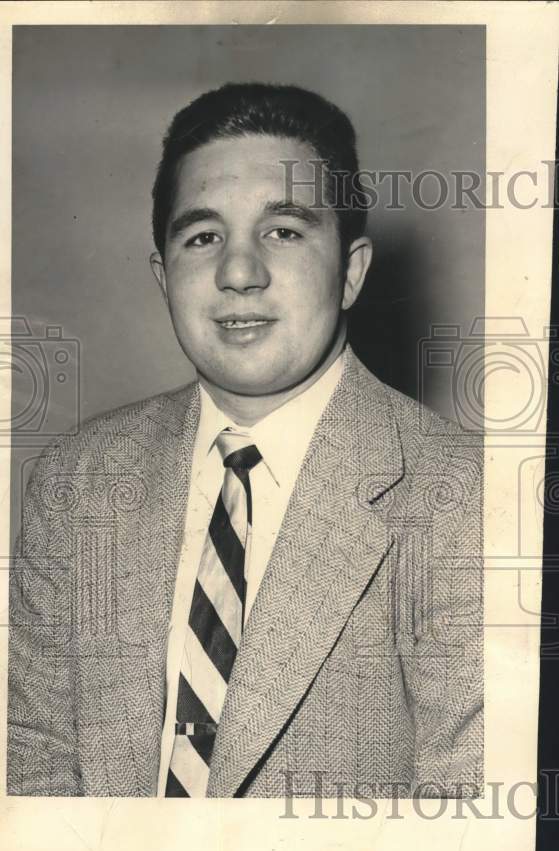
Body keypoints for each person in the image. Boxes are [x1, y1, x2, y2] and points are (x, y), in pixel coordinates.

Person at [8, 82, 483, 798]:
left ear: (350, 272)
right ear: (164, 277)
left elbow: (468, 820)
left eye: (283, 231)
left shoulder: (462, 496)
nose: (238, 273)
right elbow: (30, 757)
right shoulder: (76, 480)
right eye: (203, 237)